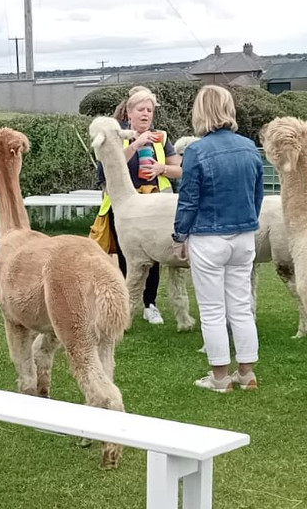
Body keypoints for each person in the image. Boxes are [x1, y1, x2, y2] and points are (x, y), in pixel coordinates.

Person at [172, 84, 264, 392]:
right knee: (241, 305)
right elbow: (257, 194)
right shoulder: (249, 147)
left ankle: (220, 377)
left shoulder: (196, 151)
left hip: (208, 237)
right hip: (244, 236)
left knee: (212, 310)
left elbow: (188, 200)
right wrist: (249, 222)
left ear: (200, 112)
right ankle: (247, 373)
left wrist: (179, 236)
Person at [95, 86, 182, 324]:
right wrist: (135, 144)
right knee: (127, 257)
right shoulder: (117, 137)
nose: (145, 114)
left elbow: (180, 169)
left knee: (154, 257)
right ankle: (125, 305)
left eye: (149, 110)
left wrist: (162, 168)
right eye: (141, 109)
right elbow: (108, 166)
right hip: (124, 207)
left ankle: (150, 304)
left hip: (155, 207)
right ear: (129, 113)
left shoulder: (161, 138)